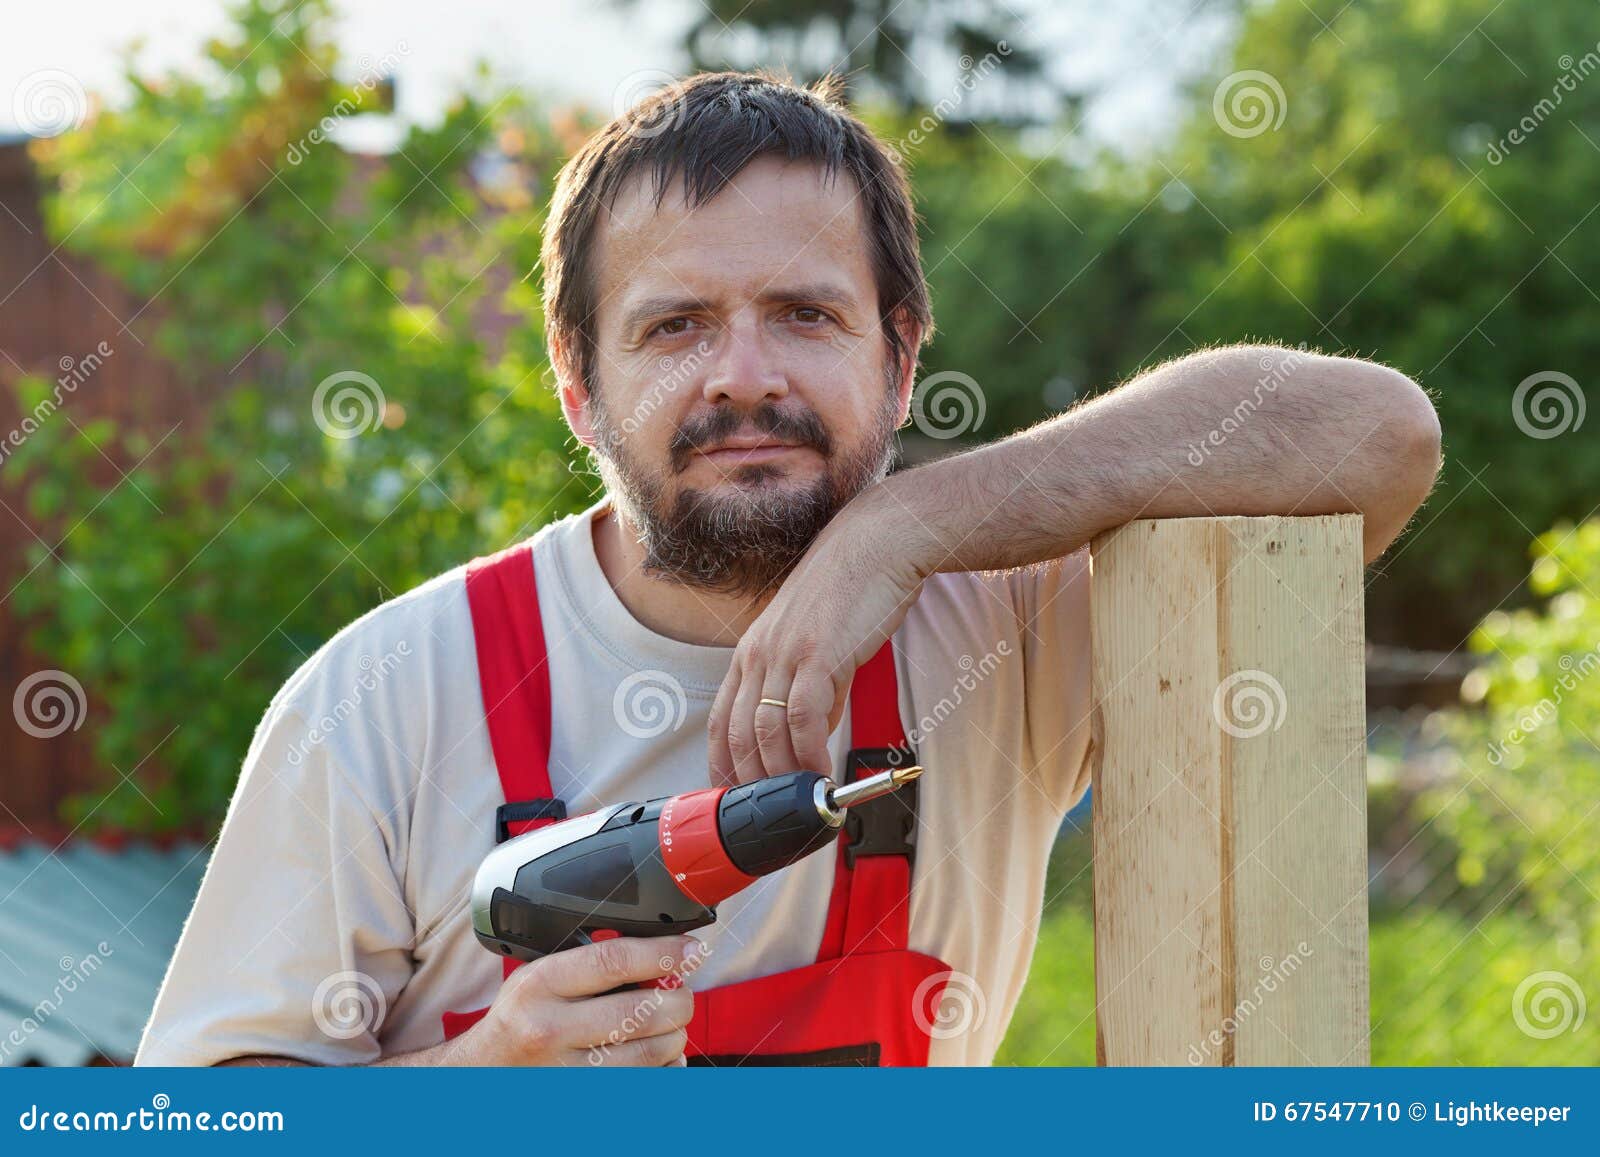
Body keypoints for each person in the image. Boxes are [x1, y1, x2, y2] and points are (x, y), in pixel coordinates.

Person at [134, 69, 1440, 1068]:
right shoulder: (384, 700)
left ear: (900, 357)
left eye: (806, 315)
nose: (744, 374)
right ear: (580, 387)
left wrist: (899, 531)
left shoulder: (1005, 624)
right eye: (677, 325)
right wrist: (476, 1084)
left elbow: (1377, 434)